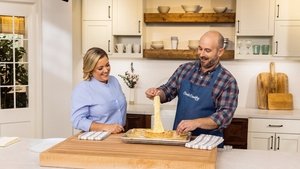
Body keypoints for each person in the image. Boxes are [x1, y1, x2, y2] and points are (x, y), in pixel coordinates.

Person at [145, 31, 239, 141]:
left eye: (207, 50)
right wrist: (157, 93)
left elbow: (224, 116)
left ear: (220, 52)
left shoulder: (227, 81)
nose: (202, 54)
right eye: (200, 48)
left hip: (208, 143)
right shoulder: (184, 69)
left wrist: (197, 123)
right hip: (180, 140)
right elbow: (168, 90)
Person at [71, 47, 126, 134]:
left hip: (119, 135)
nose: (106, 70)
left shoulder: (114, 81)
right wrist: (107, 127)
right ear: (90, 69)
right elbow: (77, 121)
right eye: (100, 68)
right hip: (98, 137)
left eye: (107, 65)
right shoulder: (83, 89)